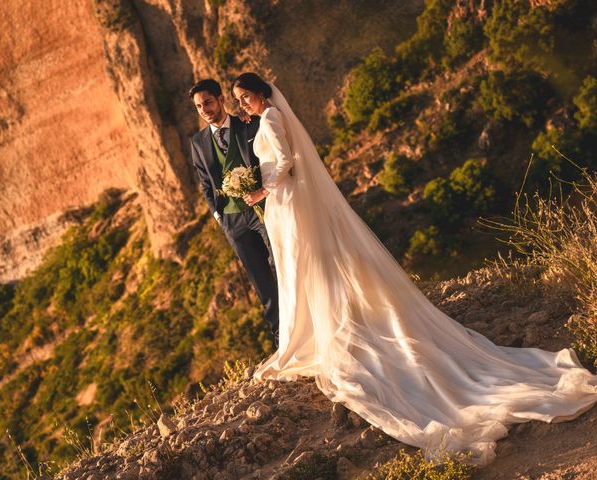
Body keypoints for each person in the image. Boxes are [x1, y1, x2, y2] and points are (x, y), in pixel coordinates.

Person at [230, 72, 597, 466]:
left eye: (246, 97)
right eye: (239, 100)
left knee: (302, 265)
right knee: (301, 266)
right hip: (287, 203)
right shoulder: (269, 118)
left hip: (285, 200)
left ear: (263, 94)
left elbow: (284, 161)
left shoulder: (270, 118)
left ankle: (312, 332)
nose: (243, 105)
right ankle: (314, 327)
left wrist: (259, 189)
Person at [188, 79, 279, 345]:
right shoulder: (198, 142)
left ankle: (301, 322)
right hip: (232, 219)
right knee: (260, 278)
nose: (204, 109)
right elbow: (205, 183)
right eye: (198, 106)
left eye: (207, 102)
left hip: (263, 209)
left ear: (220, 100)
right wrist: (219, 217)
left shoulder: (247, 124)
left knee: (279, 264)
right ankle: (279, 335)